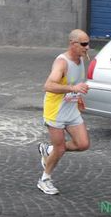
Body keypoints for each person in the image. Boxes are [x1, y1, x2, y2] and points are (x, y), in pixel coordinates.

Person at [37, 29, 90, 195]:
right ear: (72, 44)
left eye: (88, 43)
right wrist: (73, 88)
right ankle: (44, 179)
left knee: (82, 144)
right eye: (83, 44)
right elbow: (48, 85)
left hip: (71, 109)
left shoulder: (81, 60)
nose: (87, 47)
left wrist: (78, 96)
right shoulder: (61, 63)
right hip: (56, 111)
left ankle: (49, 151)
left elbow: (75, 82)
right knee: (60, 149)